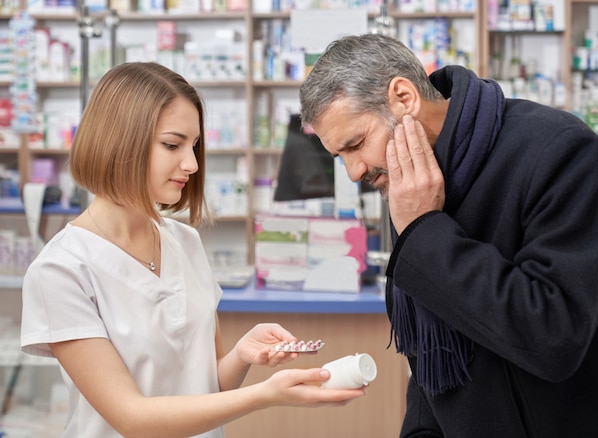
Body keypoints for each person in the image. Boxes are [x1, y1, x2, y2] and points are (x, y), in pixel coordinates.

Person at [299, 33, 598, 437]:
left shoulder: (558, 150)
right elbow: (430, 352)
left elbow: (553, 336)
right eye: (339, 156)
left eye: (356, 144)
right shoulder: (407, 181)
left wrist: (426, 231)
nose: (353, 172)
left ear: (403, 98)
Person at [20, 62, 365, 438]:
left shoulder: (184, 242)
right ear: (118, 141)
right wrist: (266, 395)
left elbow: (206, 389)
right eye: (172, 145)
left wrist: (241, 356)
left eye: (195, 146)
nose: (192, 164)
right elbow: (131, 417)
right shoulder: (62, 269)